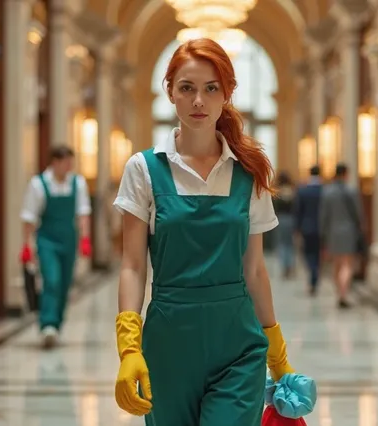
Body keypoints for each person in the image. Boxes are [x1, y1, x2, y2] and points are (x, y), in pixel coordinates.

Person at [112, 38, 297, 425]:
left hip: (237, 342)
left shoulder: (249, 172)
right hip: (168, 343)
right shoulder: (143, 169)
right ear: (170, 93)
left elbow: (255, 270)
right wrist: (129, 347)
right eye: (187, 88)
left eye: (211, 88)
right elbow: (132, 265)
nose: (199, 100)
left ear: (227, 94)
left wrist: (276, 352)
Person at [20, 146, 92, 348]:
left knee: (65, 283)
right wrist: (27, 245)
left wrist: (85, 239)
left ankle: (57, 323)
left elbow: (83, 213)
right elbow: (29, 217)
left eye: (71, 163)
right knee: (52, 279)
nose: (69, 167)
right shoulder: (38, 184)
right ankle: (47, 324)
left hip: (69, 240)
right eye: (66, 163)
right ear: (54, 162)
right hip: (47, 241)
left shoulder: (77, 184)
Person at [319, 163, 364, 308]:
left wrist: (323, 233)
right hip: (349, 230)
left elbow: (323, 215)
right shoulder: (351, 191)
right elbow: (358, 213)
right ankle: (344, 294)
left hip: (332, 231)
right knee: (347, 264)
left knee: (337, 264)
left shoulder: (327, 192)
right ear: (345, 174)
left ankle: (339, 292)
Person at [294, 165, 324, 296]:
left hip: (306, 227)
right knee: (318, 253)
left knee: (308, 253)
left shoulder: (303, 190)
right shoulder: (324, 190)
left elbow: (298, 211)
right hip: (321, 227)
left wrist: (296, 228)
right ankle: (315, 274)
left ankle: (312, 273)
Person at [272, 171, 296, 279]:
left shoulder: (277, 192)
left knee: (282, 243)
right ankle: (290, 265)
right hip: (291, 219)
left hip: (280, 219)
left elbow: (274, 208)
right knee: (290, 244)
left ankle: (284, 266)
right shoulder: (293, 191)